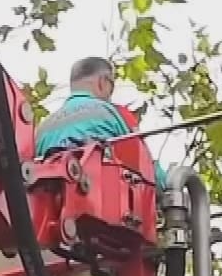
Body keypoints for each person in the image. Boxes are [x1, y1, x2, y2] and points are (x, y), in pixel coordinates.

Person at [34, 56, 168, 189]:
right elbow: (147, 168)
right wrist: (167, 183)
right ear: (102, 82)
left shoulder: (42, 128)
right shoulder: (111, 112)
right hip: (103, 199)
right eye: (111, 85)